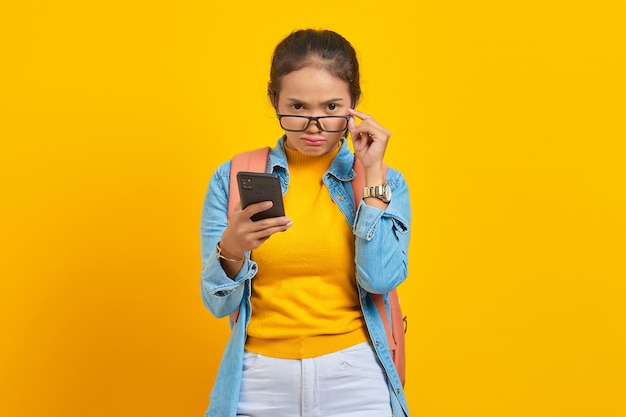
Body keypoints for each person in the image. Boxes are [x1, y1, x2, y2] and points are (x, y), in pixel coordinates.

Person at [200, 29, 411, 417]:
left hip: (355, 377)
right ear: (274, 100)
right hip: (259, 379)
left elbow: (380, 279)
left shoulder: (384, 181)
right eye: (297, 107)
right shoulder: (231, 177)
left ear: (355, 104)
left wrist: (374, 173)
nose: (314, 126)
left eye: (332, 108)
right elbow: (218, 305)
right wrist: (230, 249)